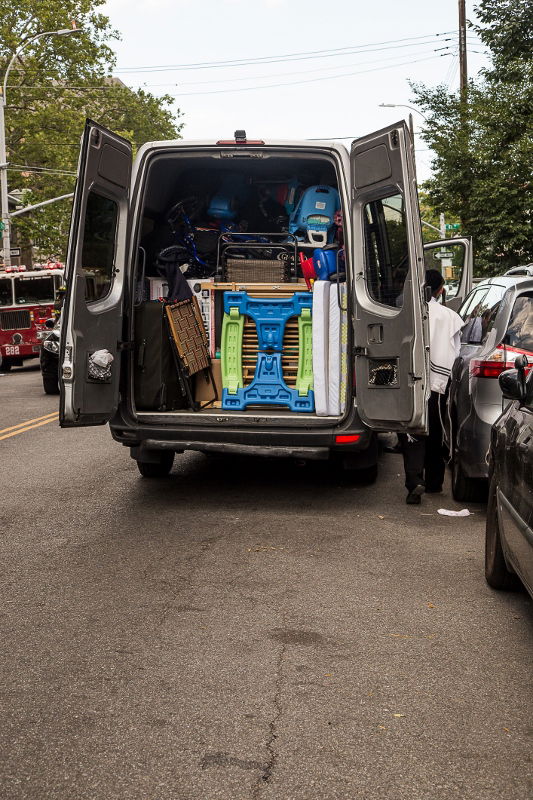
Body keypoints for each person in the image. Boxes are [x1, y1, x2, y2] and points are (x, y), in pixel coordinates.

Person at [399, 269, 464, 504]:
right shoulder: (450, 317)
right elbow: (456, 352)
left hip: (410, 380)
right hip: (438, 383)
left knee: (412, 429)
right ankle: (434, 481)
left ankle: (414, 480)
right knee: (435, 429)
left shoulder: (406, 312)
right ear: (440, 290)